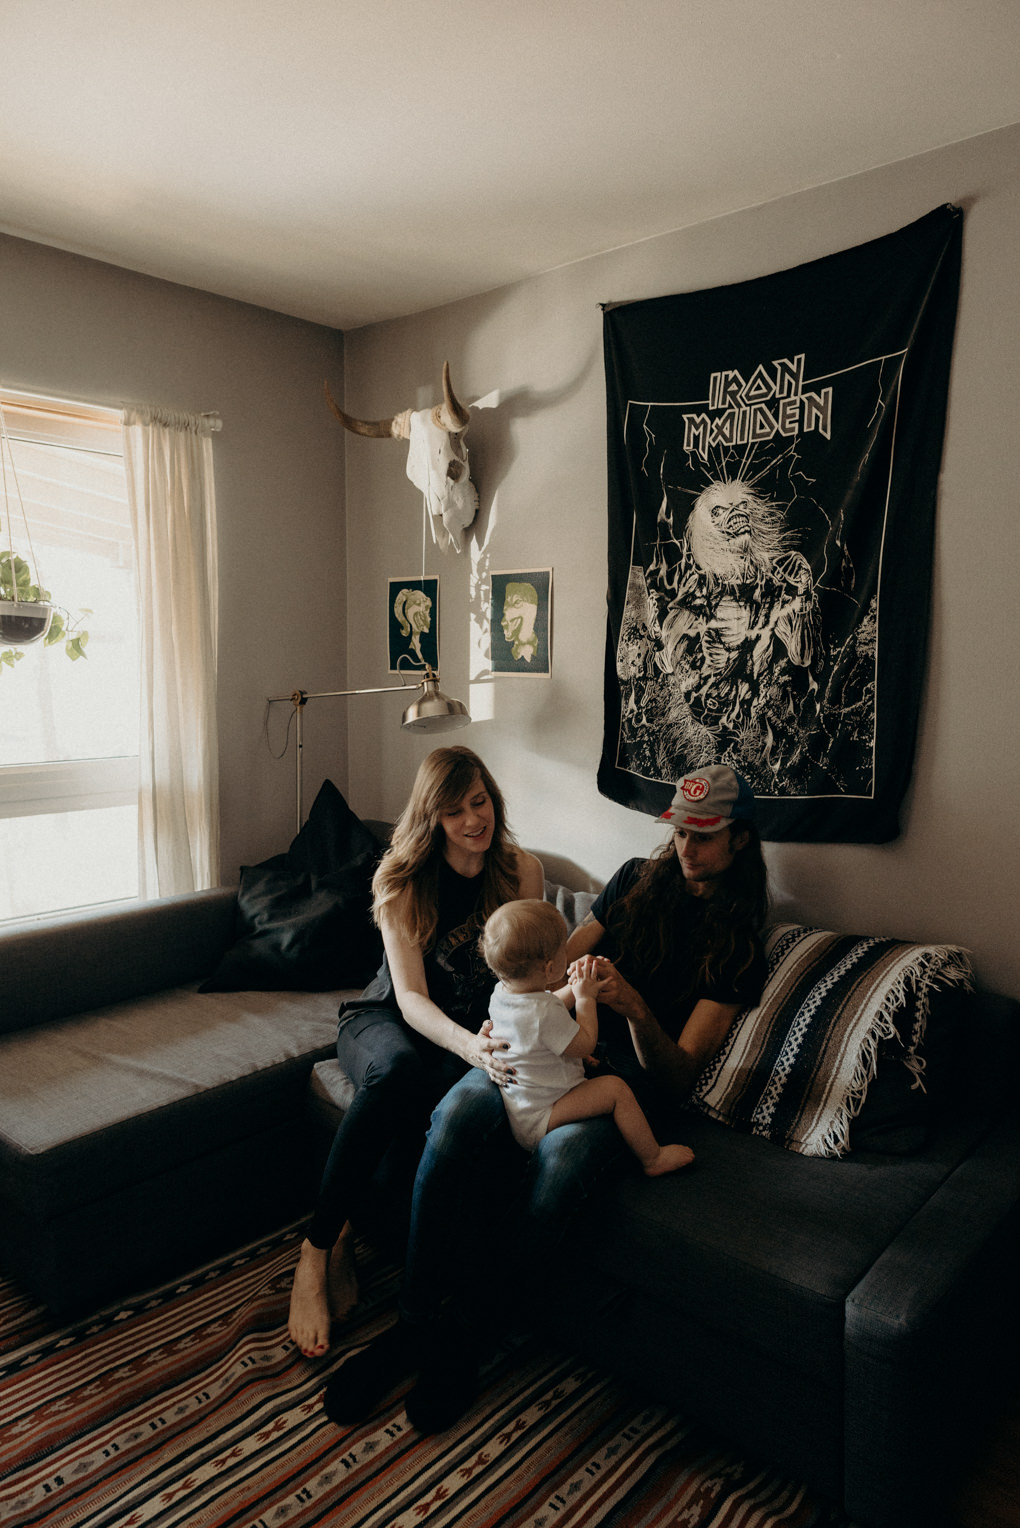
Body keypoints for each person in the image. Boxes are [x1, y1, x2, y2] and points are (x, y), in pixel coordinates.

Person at [324, 763, 767, 1433]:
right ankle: (412, 1324)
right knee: (454, 1117)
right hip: (550, 1048)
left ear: (739, 840)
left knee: (558, 1165)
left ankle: (467, 1336)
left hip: (617, 1087)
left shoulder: (738, 946)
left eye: (704, 838)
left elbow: (677, 1074)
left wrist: (633, 1006)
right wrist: (520, 1014)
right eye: (679, 833)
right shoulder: (634, 882)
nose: (686, 850)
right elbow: (552, 964)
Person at [287, 745, 543, 1359]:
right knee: (400, 1073)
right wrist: (473, 1048)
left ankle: (357, 1231)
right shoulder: (401, 881)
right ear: (432, 819)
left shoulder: (521, 872)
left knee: (436, 1114)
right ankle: (315, 1249)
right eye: (454, 812)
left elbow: (530, 971)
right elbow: (409, 1000)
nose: (472, 821)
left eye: (478, 802)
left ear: (493, 797)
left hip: (466, 1034)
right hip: (386, 1019)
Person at [480, 899, 695, 1175]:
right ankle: (653, 1158)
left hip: (523, 1110)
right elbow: (585, 1044)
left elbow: (546, 1010)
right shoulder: (543, 1014)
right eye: (562, 948)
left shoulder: (503, 994)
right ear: (548, 968)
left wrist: (579, 985)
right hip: (544, 1115)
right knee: (615, 1090)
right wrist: (585, 998)